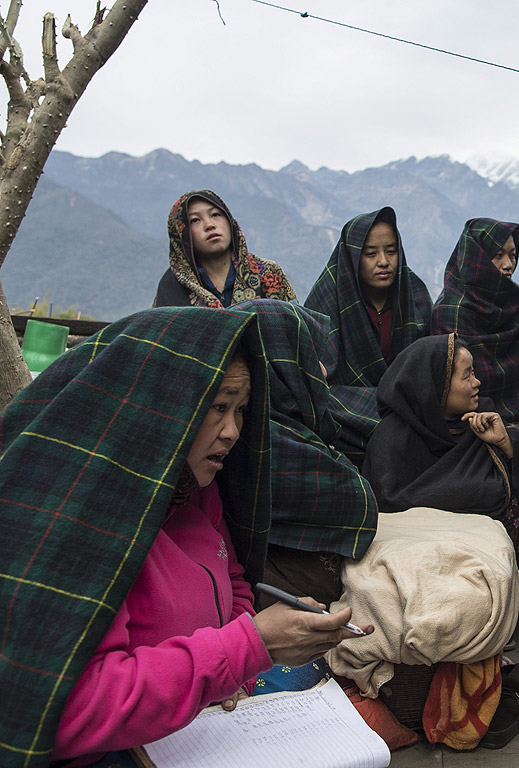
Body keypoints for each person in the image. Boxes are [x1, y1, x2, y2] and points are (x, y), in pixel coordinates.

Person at [0, 307, 369, 767]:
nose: (233, 431)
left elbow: (234, 581)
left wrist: (236, 663)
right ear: (161, 405)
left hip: (202, 718)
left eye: (241, 410)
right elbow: (70, 712)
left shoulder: (195, 491)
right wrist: (248, 648)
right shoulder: (79, 521)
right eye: (218, 407)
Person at [362, 332, 519, 600]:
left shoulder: (480, 424)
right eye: (467, 376)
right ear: (436, 385)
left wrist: (506, 443)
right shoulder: (393, 439)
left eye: (474, 373)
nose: (477, 383)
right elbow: (394, 503)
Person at [233, 299, 379, 608]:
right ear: (281, 362)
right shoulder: (266, 446)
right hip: (282, 612)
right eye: (310, 355)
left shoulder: (283, 428)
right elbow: (358, 501)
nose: (323, 371)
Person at [304, 207, 430, 464]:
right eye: (370, 253)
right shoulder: (329, 296)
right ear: (352, 257)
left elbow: (427, 367)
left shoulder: (414, 294)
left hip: (402, 400)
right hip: (346, 407)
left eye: (391, 251)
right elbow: (314, 376)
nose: (383, 261)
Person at [431, 217, 519, 422]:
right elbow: (454, 381)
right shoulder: (452, 312)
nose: (508, 265)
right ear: (477, 258)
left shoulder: (516, 306)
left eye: (513, 256)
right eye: (498, 255)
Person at [154, 189, 296, 308]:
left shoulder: (268, 273)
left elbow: (297, 330)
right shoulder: (171, 289)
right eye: (195, 220)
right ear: (181, 236)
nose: (209, 225)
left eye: (215, 215)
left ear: (230, 221)